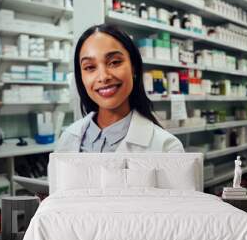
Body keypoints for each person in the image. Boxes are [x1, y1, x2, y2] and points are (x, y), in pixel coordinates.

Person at [55, 24, 184, 153]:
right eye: (89, 67)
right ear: (81, 77)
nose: (103, 77)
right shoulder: (67, 139)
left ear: (133, 67)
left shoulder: (167, 148)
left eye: (114, 62)